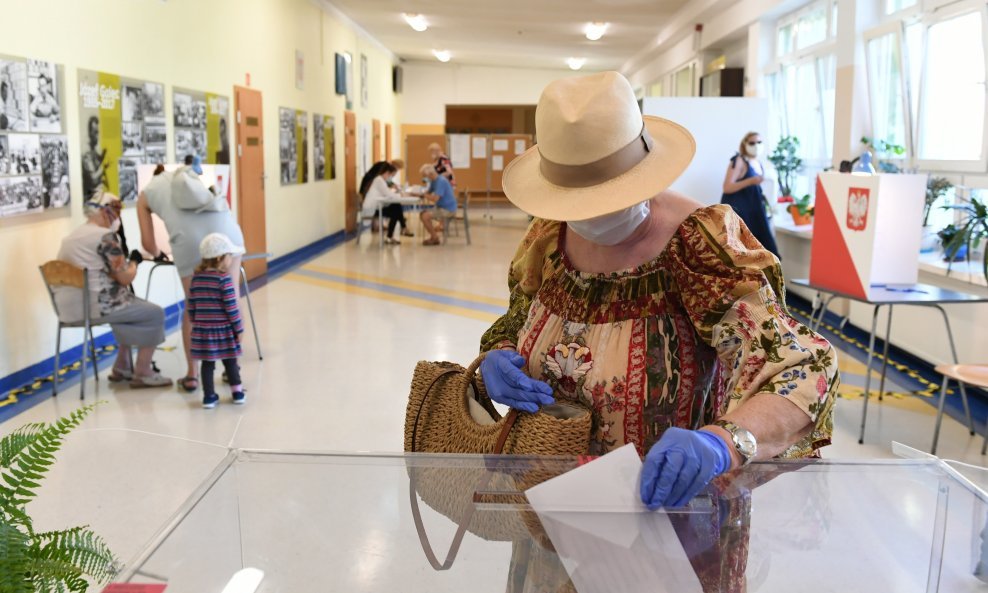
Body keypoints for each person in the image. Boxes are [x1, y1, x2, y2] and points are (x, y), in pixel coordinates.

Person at [480, 71, 837, 506]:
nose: (589, 215)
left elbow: (804, 368)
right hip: (552, 512)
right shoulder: (547, 240)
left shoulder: (699, 246)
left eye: (605, 195)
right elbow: (516, 320)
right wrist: (497, 355)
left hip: (666, 516)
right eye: (574, 201)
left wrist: (723, 442)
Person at [137, 155, 246, 393]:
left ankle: (193, 375)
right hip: (227, 233)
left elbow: (148, 243)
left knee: (194, 305)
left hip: (188, 242)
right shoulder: (185, 176)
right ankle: (232, 369)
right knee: (232, 296)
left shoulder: (145, 194)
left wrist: (158, 253)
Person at [55, 193, 172, 388]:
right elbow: (125, 277)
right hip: (99, 305)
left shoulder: (70, 238)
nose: (118, 217)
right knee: (154, 313)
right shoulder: (105, 237)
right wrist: (134, 261)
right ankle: (143, 371)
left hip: (68, 308)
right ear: (105, 211)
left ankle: (122, 366)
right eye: (116, 211)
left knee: (129, 309)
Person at [189, 233, 246, 408]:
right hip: (224, 330)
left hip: (204, 330)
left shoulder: (196, 279)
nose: (231, 260)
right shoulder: (224, 280)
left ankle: (209, 397)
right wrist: (239, 328)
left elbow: (191, 305)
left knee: (207, 364)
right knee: (230, 361)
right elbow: (231, 307)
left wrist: (195, 323)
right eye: (229, 256)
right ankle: (237, 392)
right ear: (220, 258)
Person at [720, 132, 780, 257]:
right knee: (742, 251)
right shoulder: (739, 161)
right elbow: (727, 187)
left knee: (762, 249)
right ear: (745, 144)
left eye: (759, 142)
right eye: (752, 143)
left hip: (755, 211)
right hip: (741, 213)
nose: (756, 146)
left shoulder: (759, 163)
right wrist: (750, 181)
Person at [361, 163, 410, 244]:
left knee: (396, 206)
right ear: (387, 172)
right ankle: (399, 230)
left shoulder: (381, 180)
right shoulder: (379, 180)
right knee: (396, 210)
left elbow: (387, 194)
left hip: (377, 206)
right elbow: (388, 194)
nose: (390, 177)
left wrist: (398, 195)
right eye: (390, 175)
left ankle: (399, 231)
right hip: (372, 209)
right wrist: (401, 195)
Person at [418, 164, 457, 246]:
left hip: (447, 209)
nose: (425, 178)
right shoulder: (434, 181)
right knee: (422, 214)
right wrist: (418, 194)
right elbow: (428, 192)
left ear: (430, 174)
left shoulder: (441, 181)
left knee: (425, 216)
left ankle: (435, 238)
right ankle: (434, 236)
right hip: (441, 207)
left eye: (425, 176)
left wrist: (425, 195)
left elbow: (435, 198)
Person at [81, 116, 107, 200]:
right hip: (91, 199)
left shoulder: (93, 149)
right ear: (90, 133)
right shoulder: (87, 152)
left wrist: (102, 156)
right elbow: (94, 179)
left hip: (97, 195)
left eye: (98, 132)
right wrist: (104, 166)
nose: (98, 136)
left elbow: (96, 163)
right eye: (95, 132)